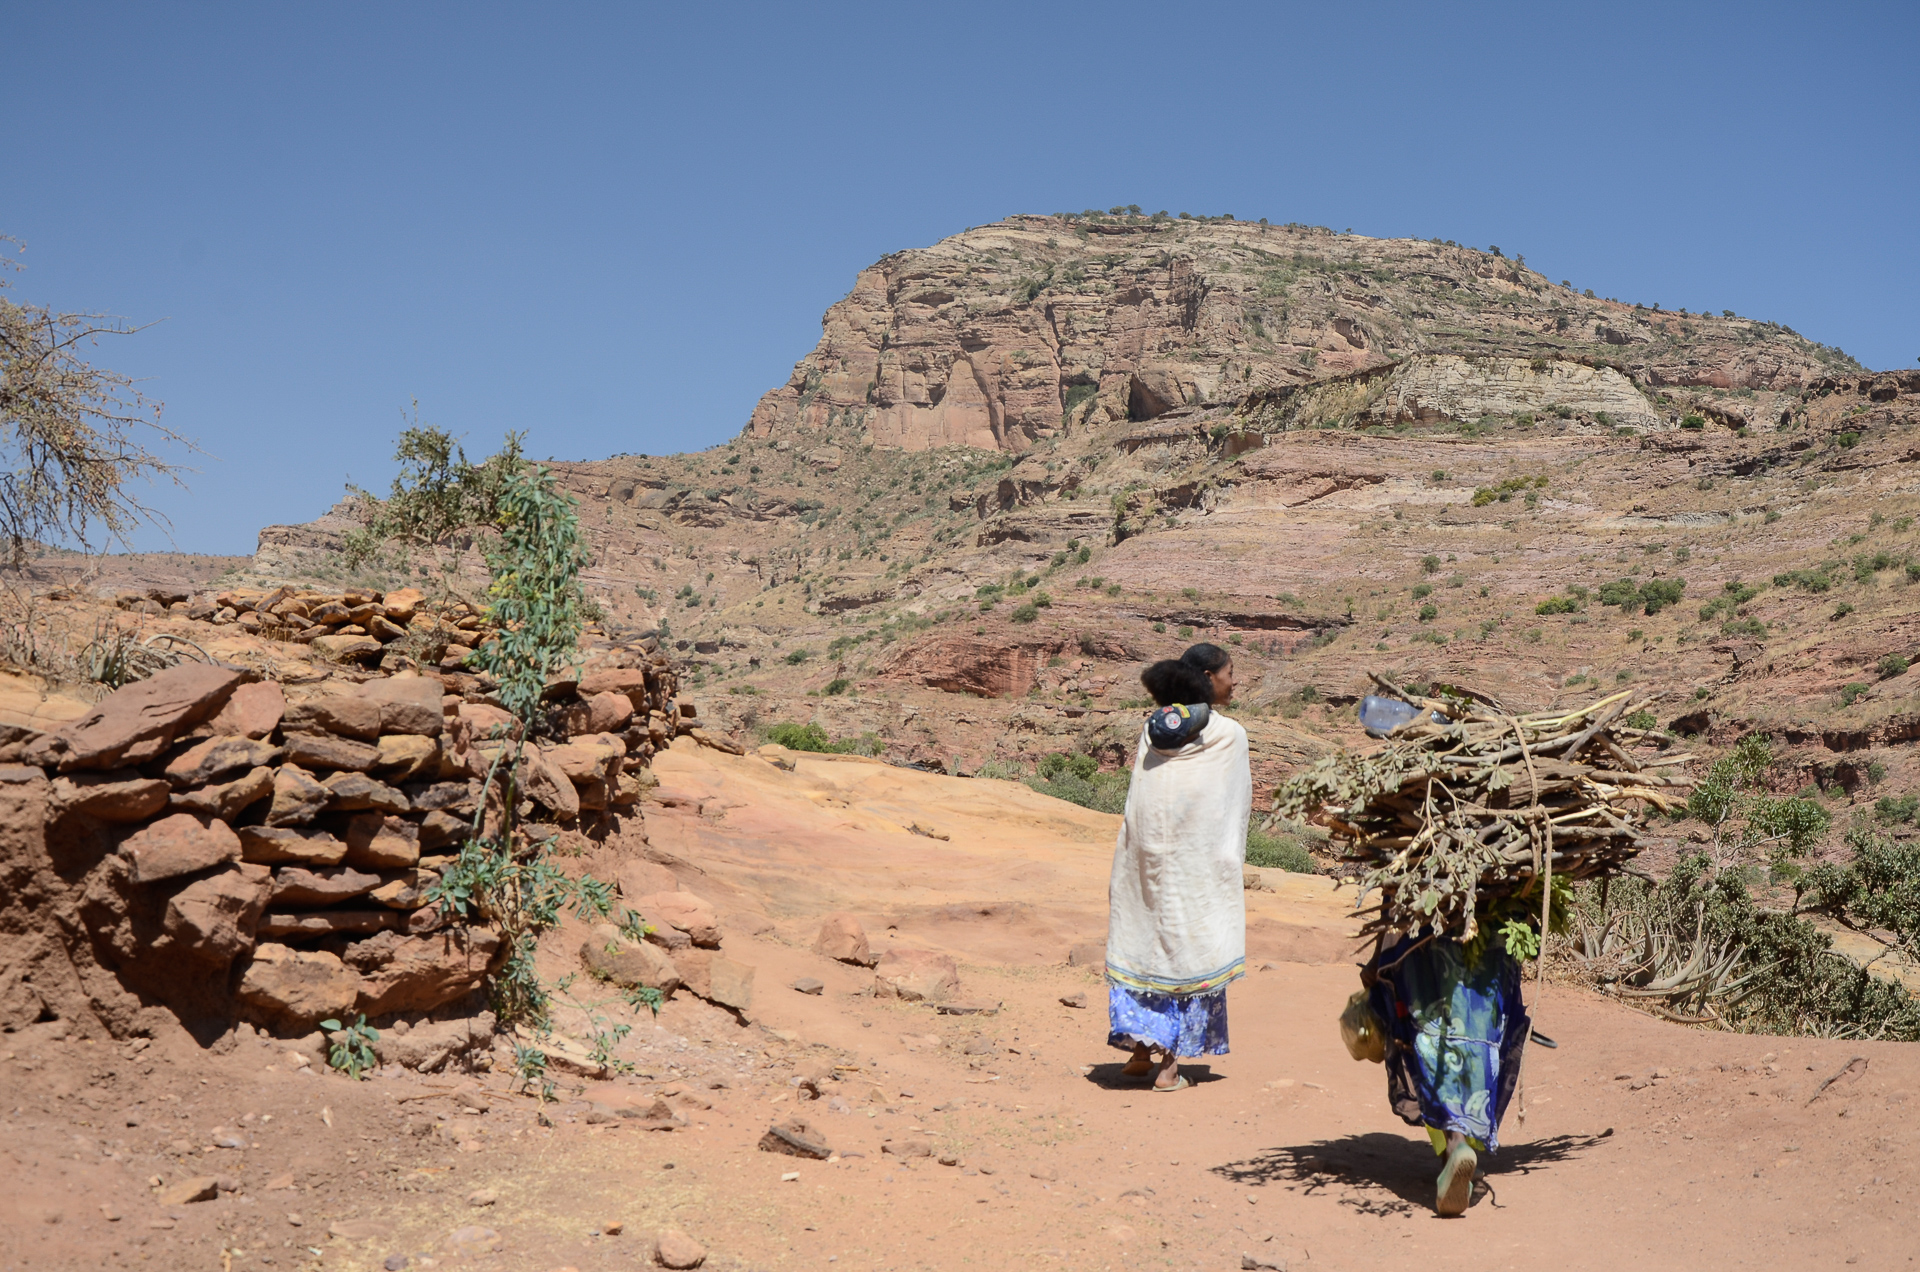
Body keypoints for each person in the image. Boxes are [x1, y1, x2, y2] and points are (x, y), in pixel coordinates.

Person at [1104, 646, 1250, 1091]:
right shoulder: (1228, 734)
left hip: (1146, 862)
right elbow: (1233, 810)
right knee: (1189, 949)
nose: (1234, 681)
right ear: (1208, 676)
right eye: (1230, 673)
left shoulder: (1153, 730)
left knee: (1146, 938)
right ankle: (1169, 1067)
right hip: (1196, 869)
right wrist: (1229, 861)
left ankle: (1140, 1050)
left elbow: (1141, 800)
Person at [1364, 930, 1530, 1216]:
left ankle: (1455, 1142)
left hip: (1423, 941)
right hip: (1495, 933)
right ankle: (1461, 1148)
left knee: (1430, 1038)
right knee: (1479, 1035)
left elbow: (1396, 899)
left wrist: (1377, 954)